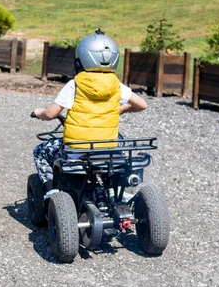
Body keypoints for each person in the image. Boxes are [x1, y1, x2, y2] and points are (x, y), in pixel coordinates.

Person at [31, 29, 148, 195]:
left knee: (41, 151)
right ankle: (113, 190)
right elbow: (142, 105)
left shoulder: (75, 84)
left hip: (77, 151)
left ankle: (52, 193)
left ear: (82, 59)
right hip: (106, 149)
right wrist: (121, 109)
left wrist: (38, 112)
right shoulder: (116, 85)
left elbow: (50, 114)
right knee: (118, 140)